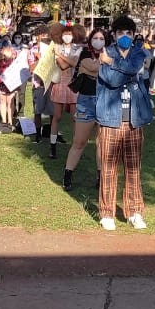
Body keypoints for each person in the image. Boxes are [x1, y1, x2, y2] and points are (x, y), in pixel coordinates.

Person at [95, 16, 154, 230]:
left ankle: (135, 212)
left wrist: (113, 64)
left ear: (133, 34)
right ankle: (107, 213)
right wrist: (125, 70)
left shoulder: (138, 52)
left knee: (133, 167)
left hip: (134, 119)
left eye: (129, 33)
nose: (125, 36)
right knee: (109, 168)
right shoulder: (106, 52)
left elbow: (134, 67)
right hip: (110, 117)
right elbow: (112, 80)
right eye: (121, 33)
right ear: (114, 34)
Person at [62, 28, 102, 191]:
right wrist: (105, 64)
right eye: (95, 38)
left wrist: (101, 66)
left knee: (102, 142)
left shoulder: (110, 54)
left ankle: (101, 177)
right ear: (90, 40)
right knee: (79, 141)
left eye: (102, 38)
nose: (98, 41)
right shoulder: (85, 53)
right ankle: (67, 175)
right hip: (86, 100)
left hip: (104, 102)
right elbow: (91, 67)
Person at [48, 23, 83, 159]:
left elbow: (74, 63)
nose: (67, 36)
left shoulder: (78, 49)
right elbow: (63, 66)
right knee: (57, 116)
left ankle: (74, 147)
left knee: (74, 118)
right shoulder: (56, 47)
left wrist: (60, 55)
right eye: (65, 34)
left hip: (73, 84)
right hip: (60, 84)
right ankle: (52, 146)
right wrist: (65, 58)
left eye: (69, 34)